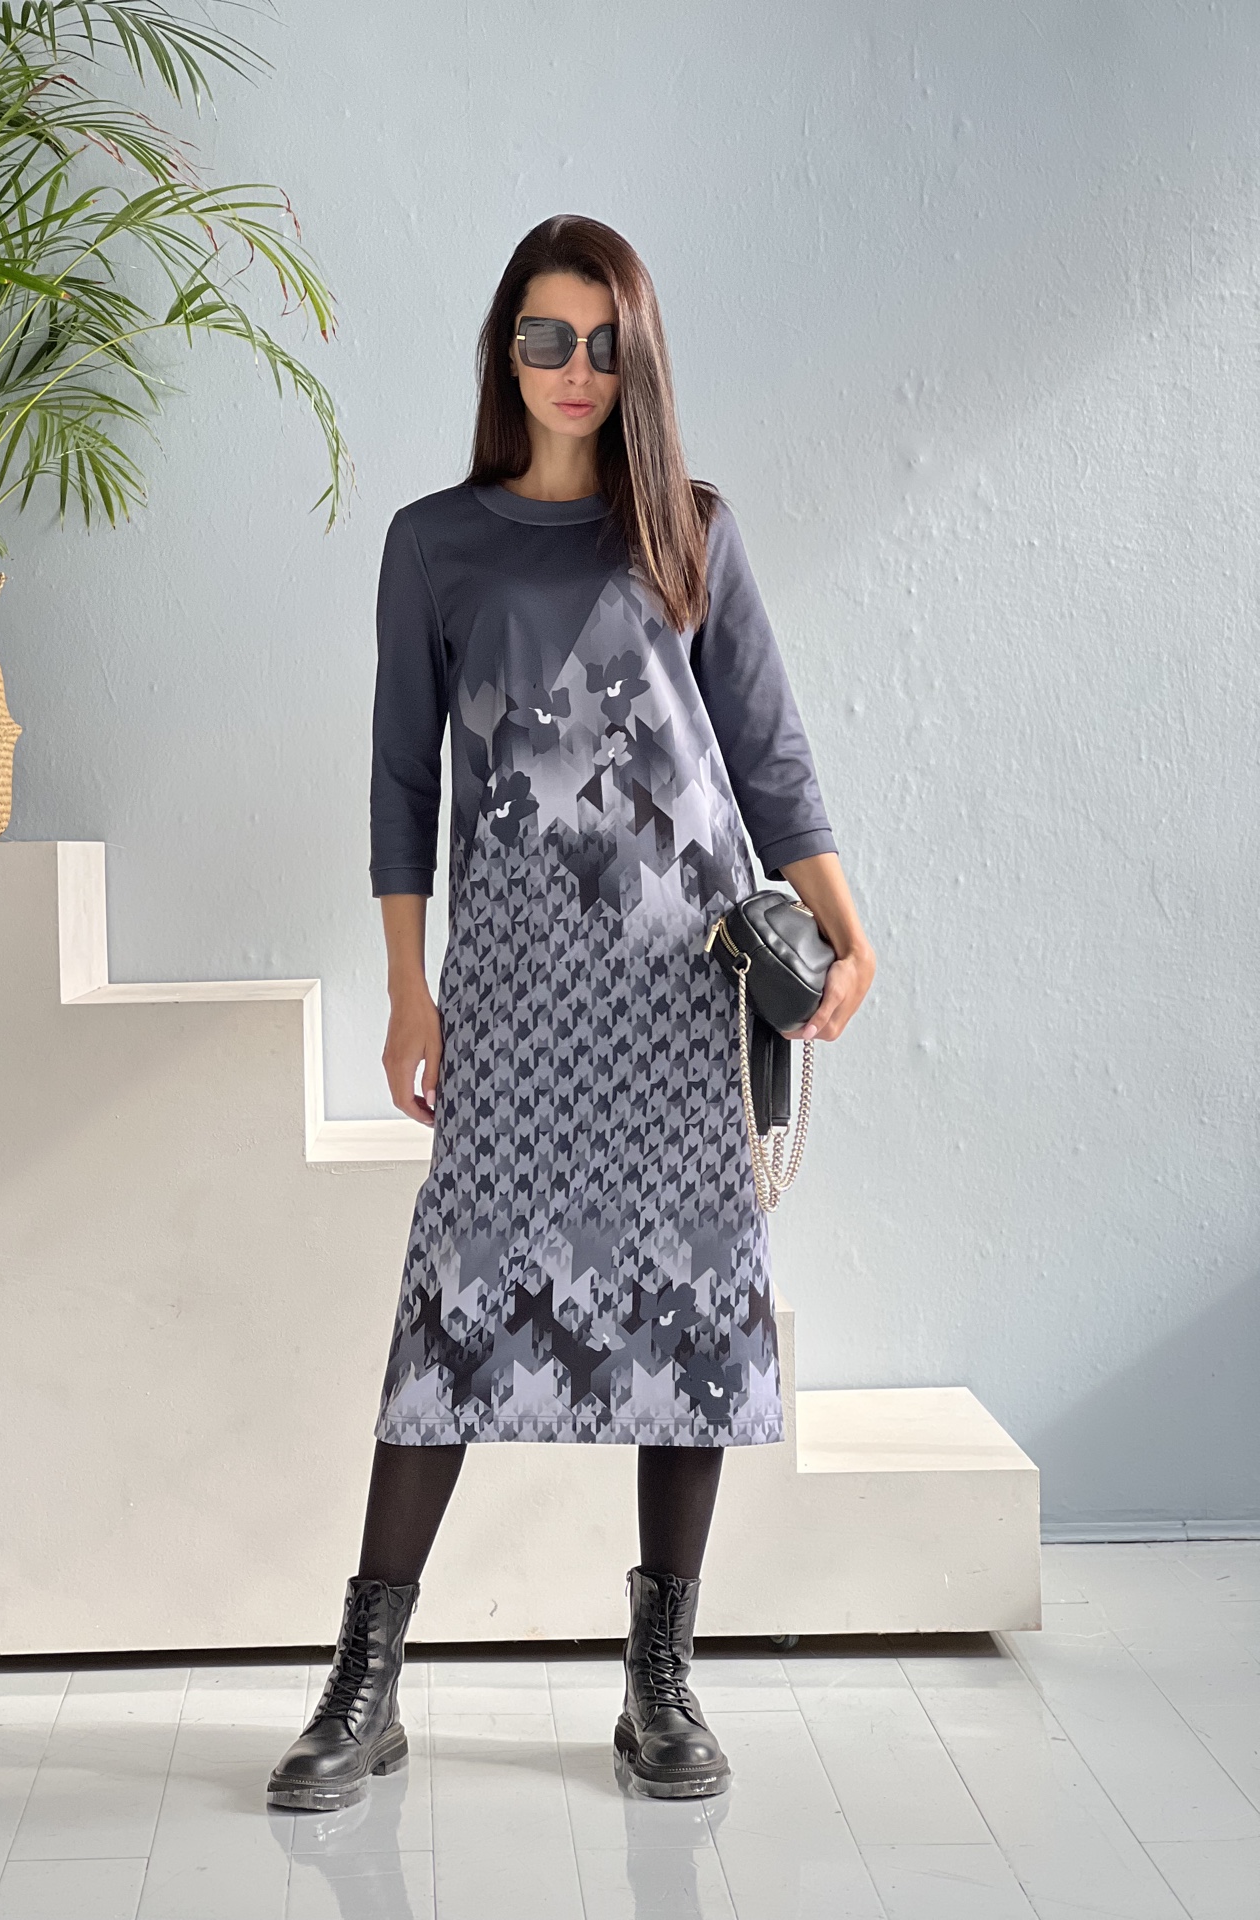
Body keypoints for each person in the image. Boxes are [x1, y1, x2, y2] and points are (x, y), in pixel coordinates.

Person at [268, 213, 876, 1813]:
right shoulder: (434, 545)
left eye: (607, 344)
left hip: (685, 990)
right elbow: (403, 785)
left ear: (639, 360)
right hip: (517, 995)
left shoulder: (691, 530)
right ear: (505, 353)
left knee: (691, 1310)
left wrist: (845, 924)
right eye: (548, 339)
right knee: (451, 1308)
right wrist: (407, 987)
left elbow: (768, 753)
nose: (577, 371)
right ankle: (365, 1682)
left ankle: (660, 1674)